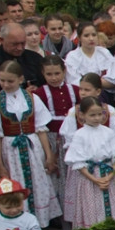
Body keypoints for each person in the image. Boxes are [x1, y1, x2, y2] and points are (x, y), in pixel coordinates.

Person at [0, 61, 62, 229]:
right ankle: (20, 228)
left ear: (21, 79)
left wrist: (49, 155)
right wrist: (0, 166)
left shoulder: (32, 98)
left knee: (38, 184)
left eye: (10, 81)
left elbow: (40, 129)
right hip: (11, 151)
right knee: (16, 185)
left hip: (32, 149)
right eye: (2, 80)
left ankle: (39, 228)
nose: (6, 85)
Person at [63, 96, 115, 229]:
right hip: (90, 177)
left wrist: (109, 176)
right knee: (93, 208)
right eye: (92, 115)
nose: (97, 118)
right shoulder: (79, 135)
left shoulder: (109, 133)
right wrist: (95, 179)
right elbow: (78, 162)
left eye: (99, 114)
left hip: (110, 174)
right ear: (82, 115)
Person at [32, 55, 79, 214]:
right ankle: (62, 215)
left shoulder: (75, 90)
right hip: (51, 139)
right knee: (58, 177)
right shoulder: (39, 94)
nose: (53, 78)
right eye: (49, 74)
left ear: (64, 71)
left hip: (73, 139)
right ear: (43, 74)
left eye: (57, 73)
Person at [0, 23, 47, 99]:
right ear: (1, 40)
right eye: (15, 44)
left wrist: (38, 90)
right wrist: (22, 93)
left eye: (23, 43)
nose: (20, 48)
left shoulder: (35, 58)